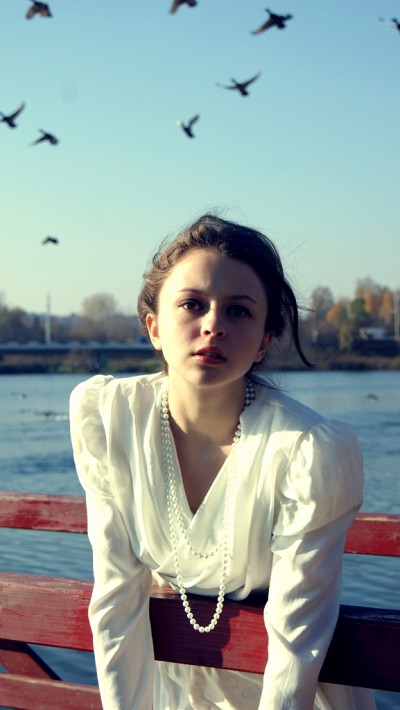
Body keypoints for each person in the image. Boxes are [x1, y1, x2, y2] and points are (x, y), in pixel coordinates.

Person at [70, 213, 376, 709]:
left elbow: (296, 641)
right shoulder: (111, 420)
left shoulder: (306, 451)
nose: (213, 324)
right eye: (192, 304)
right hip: (173, 689)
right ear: (154, 327)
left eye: (238, 311)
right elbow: (116, 603)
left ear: (264, 342)